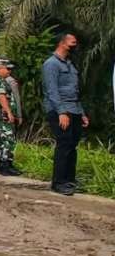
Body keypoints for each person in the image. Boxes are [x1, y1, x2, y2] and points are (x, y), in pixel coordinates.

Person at [43, 33, 90, 196]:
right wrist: (61, 112)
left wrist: (82, 113)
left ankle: (70, 180)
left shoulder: (71, 65)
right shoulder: (51, 64)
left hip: (74, 109)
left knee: (72, 146)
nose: (75, 46)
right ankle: (58, 182)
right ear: (62, 43)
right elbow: (52, 90)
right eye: (72, 43)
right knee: (64, 144)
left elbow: (75, 91)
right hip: (59, 110)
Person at [0, 59, 22, 176]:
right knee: (7, 139)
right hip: (1, 114)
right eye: (7, 68)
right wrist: (9, 112)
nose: (9, 71)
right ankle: (4, 165)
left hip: (3, 114)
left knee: (5, 139)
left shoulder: (3, 80)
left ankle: (5, 164)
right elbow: (1, 97)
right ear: (0, 68)